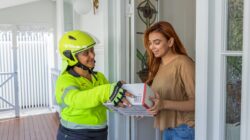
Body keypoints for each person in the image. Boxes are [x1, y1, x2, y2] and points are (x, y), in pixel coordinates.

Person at [55, 30, 133, 140]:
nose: (92, 55)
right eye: (86, 53)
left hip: (100, 132)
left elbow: (107, 102)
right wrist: (106, 91)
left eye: (92, 50)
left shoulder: (99, 77)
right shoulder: (65, 80)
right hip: (75, 134)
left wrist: (131, 107)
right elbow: (76, 99)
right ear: (71, 57)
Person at [144, 21, 195, 140]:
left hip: (185, 130)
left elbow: (198, 103)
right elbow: (157, 99)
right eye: (150, 43)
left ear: (170, 42)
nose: (152, 47)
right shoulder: (158, 65)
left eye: (157, 42)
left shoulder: (184, 63)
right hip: (168, 130)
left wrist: (164, 104)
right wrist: (141, 109)